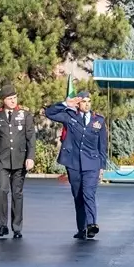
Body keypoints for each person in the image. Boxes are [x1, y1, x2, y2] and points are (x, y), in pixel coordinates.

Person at [45, 91, 108, 240]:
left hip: (92, 163)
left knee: (88, 193)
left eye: (89, 101)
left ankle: (91, 225)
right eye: (83, 101)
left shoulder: (98, 120)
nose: (87, 104)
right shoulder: (70, 116)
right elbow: (49, 113)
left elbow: (102, 145)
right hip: (73, 163)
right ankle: (82, 229)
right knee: (78, 195)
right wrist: (66, 104)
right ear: (78, 104)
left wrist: (102, 167)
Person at [0, 84, 36, 238]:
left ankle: (17, 227)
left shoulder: (25, 115)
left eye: (14, 98)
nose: (13, 101)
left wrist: (30, 157)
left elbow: (31, 139)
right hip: (1, 160)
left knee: (17, 193)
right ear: (3, 100)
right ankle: (2, 225)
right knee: (2, 190)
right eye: (9, 98)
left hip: (20, 160)